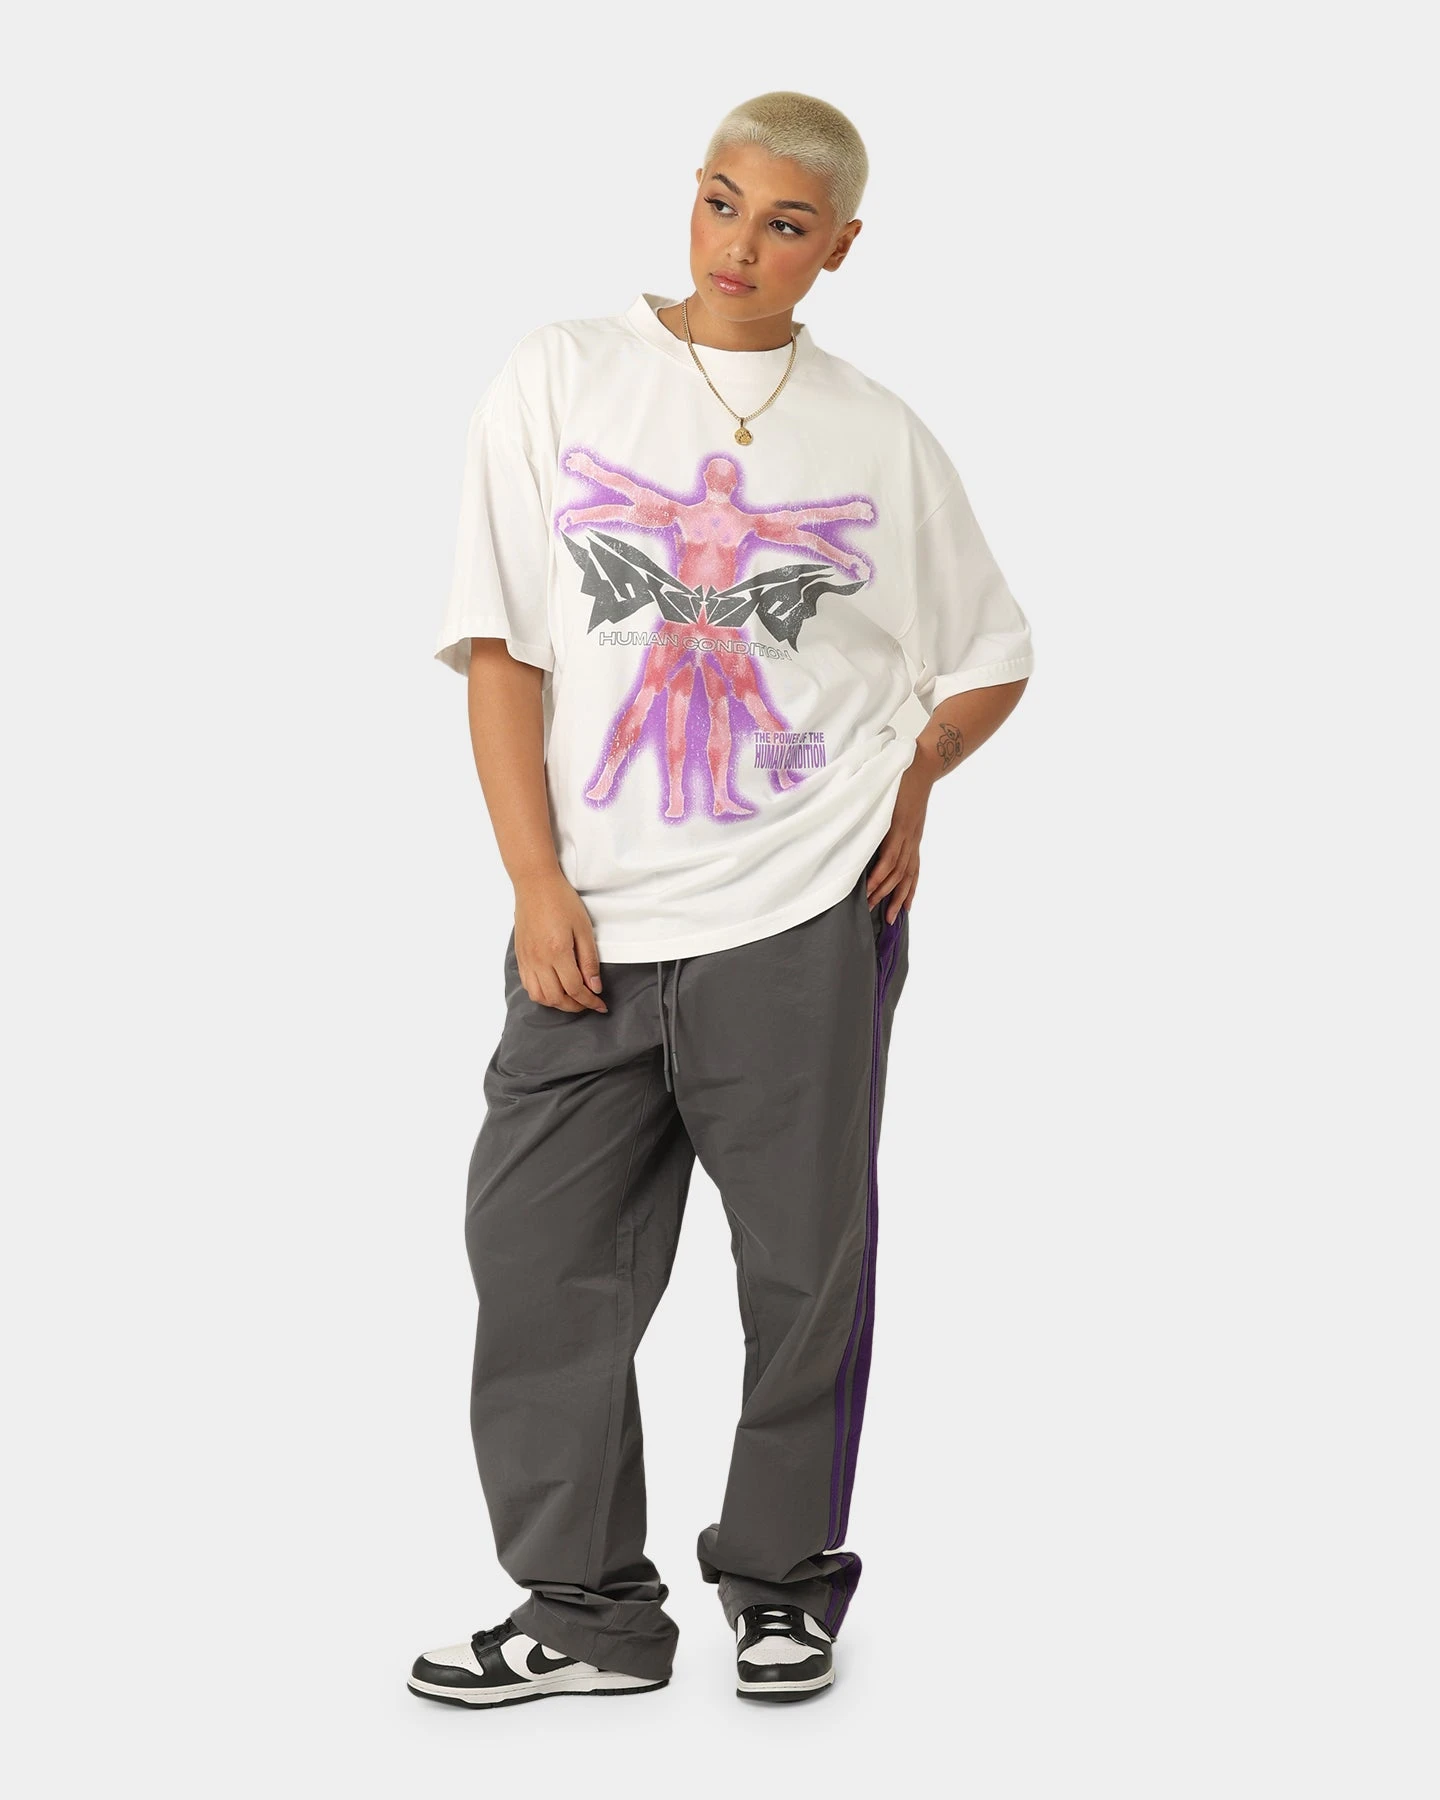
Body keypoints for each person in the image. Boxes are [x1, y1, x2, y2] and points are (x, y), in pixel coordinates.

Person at [409, 89, 1035, 1709]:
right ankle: (587, 1613)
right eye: (719, 201)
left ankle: (781, 1588)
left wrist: (915, 775)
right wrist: (534, 879)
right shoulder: (562, 374)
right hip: (596, 918)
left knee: (802, 1270)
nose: (740, 245)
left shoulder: (876, 433)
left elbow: (991, 652)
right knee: (536, 1257)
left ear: (840, 247)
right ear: (691, 198)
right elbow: (504, 648)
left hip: (804, 905)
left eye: (784, 223)